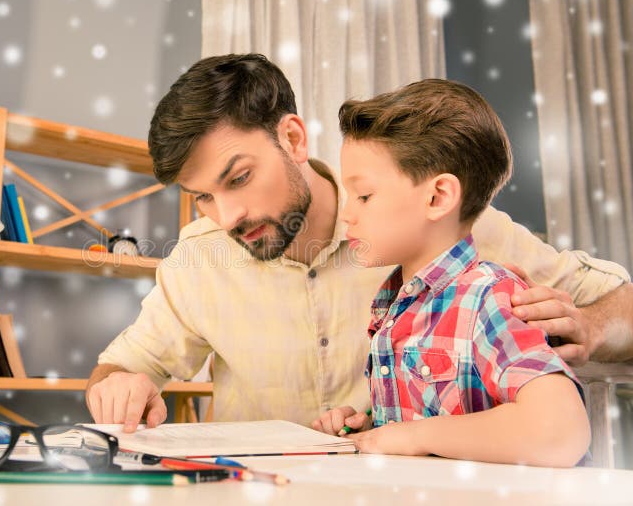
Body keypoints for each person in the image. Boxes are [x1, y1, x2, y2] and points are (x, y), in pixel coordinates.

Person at [85, 54, 632, 433]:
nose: (226, 216)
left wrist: (592, 324)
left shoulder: (436, 222)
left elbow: (621, 304)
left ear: (293, 138)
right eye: (202, 196)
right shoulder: (196, 259)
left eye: (238, 178)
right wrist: (119, 388)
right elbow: (120, 367)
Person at [311, 79, 589, 467]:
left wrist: (412, 436)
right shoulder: (394, 305)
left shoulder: (489, 297)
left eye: (364, 196)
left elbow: (560, 431)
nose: (347, 214)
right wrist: (371, 429)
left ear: (438, 197)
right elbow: (449, 417)